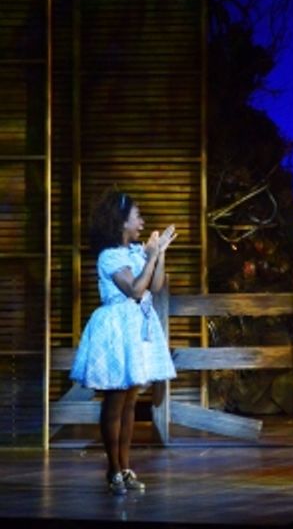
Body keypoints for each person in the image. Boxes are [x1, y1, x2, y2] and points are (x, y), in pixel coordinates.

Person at [70, 189, 177, 495]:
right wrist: (151, 255)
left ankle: (126, 467)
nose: (142, 222)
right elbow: (134, 289)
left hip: (136, 328)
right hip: (116, 329)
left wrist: (160, 253)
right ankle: (113, 469)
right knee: (115, 401)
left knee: (131, 400)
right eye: (137, 216)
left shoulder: (134, 253)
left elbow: (154, 286)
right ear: (121, 222)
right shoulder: (110, 256)